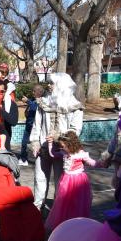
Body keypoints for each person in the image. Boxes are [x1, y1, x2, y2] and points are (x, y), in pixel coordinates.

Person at [30, 73, 84, 210]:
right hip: (43, 148)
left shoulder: (74, 106)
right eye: (49, 83)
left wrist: (58, 137)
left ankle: (58, 210)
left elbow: (75, 130)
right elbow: (36, 125)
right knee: (40, 178)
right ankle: (37, 207)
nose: (49, 86)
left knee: (60, 181)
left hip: (63, 151)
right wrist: (35, 142)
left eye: (52, 83)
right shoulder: (44, 103)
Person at [45, 131, 100, 231]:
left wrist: (102, 163)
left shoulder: (81, 154)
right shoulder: (64, 152)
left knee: (78, 202)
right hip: (66, 180)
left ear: (70, 145)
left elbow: (92, 162)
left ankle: (77, 224)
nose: (62, 148)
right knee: (64, 201)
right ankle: (66, 223)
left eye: (64, 146)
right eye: (62, 146)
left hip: (78, 180)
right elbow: (52, 154)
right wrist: (50, 143)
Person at [19, 84, 44, 166]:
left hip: (35, 126)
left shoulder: (41, 100)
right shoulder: (33, 99)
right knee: (24, 143)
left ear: (39, 92)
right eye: (33, 91)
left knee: (37, 144)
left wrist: (27, 101)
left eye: (34, 91)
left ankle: (39, 159)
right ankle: (23, 159)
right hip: (28, 125)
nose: (33, 92)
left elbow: (34, 107)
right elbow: (29, 109)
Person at [0, 80, 18, 151]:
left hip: (4, 142)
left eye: (2, 91)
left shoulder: (10, 104)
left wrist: (1, 110)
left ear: (5, 92)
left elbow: (13, 122)